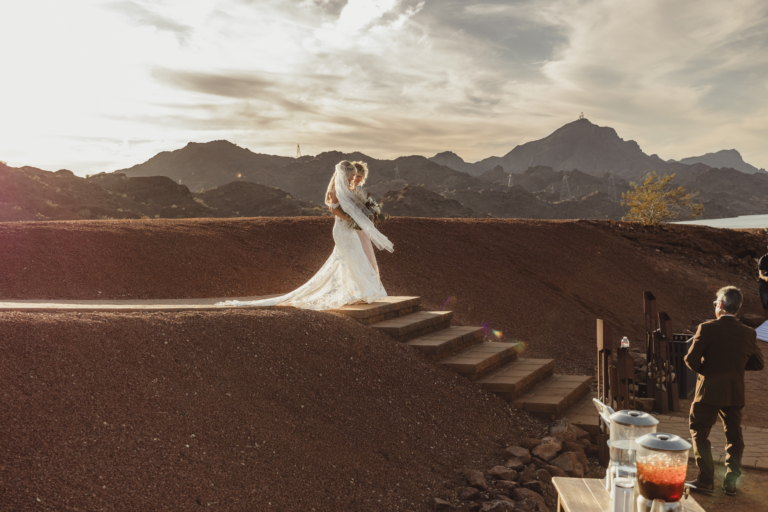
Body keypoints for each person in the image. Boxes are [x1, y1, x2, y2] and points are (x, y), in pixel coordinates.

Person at [217, 160, 393, 310]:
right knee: (350, 258)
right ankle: (358, 292)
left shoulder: (347, 188)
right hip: (341, 230)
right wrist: (351, 217)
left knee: (355, 258)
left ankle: (358, 292)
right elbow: (334, 210)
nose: (354, 178)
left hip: (349, 229)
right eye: (352, 175)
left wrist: (363, 212)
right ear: (346, 174)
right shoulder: (337, 189)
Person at [685, 286, 764, 497]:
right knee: (734, 435)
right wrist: (734, 368)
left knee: (699, 430)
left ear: (720, 305)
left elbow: (691, 360)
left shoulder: (706, 328)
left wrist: (709, 371)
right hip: (734, 392)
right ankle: (731, 482)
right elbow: (758, 363)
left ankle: (705, 479)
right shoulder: (749, 333)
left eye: (715, 303)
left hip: (708, 392)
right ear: (736, 308)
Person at [759, 246, 768, 319]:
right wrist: (765, 278)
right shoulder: (763, 259)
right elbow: (761, 274)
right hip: (764, 284)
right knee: (765, 306)